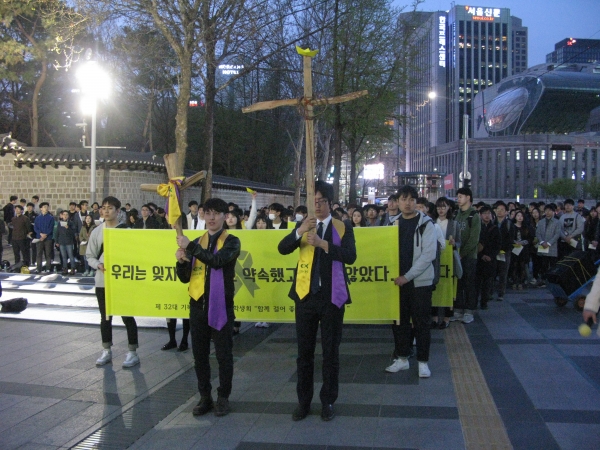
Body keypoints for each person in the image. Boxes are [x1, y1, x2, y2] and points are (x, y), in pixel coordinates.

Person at [278, 181, 356, 422]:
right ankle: (303, 402)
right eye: (313, 201)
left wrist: (324, 244)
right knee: (304, 353)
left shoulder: (342, 227)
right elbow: (282, 248)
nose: (317, 206)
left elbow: (350, 257)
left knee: (330, 352)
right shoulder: (303, 226)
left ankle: (328, 401)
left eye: (321, 201)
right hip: (305, 297)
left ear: (330, 203)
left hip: (332, 298)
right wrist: (300, 231)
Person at [175, 198, 241, 417]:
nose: (211, 218)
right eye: (208, 213)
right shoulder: (197, 241)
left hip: (220, 306)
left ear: (224, 216)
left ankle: (223, 397)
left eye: (216, 213)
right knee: (200, 355)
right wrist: (182, 262)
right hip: (197, 306)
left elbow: (217, 261)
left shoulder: (232, 241)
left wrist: (190, 247)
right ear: (202, 215)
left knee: (223, 355)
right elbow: (185, 279)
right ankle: (205, 397)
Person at [385, 185, 437, 379]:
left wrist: (407, 276)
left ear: (417, 202)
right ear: (397, 202)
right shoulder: (393, 224)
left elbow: (428, 255)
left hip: (419, 283)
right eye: (403, 199)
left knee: (421, 323)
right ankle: (402, 358)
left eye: (411, 199)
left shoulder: (426, 224)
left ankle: (423, 362)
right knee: (399, 322)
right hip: (397, 283)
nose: (408, 203)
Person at [87, 196, 140, 368]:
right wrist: (98, 264)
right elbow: (90, 256)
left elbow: (135, 254)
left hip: (122, 281)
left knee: (127, 316)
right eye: (104, 208)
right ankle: (106, 349)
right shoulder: (96, 232)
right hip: (102, 281)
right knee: (105, 317)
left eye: (110, 208)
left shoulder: (126, 231)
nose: (106, 211)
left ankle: (132, 352)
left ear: (118, 211)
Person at [452, 187, 481, 324]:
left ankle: (469, 311)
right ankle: (458, 309)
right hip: (457, 255)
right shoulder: (457, 214)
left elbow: (474, 240)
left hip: (469, 257)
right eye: (458, 196)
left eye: (461, 196)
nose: (458, 199)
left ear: (468, 198)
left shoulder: (474, 215)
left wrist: (462, 253)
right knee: (458, 283)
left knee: (469, 284)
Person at [432, 197, 459, 329]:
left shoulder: (454, 224)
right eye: (438, 207)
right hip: (435, 259)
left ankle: (447, 317)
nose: (441, 210)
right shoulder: (431, 222)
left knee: (448, 288)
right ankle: (434, 317)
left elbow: (460, 242)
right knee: (435, 287)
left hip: (449, 261)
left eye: (443, 207)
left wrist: (455, 244)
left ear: (449, 208)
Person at [476, 205, 500, 309]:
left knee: (487, 282)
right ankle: (474, 301)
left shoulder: (495, 229)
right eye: (484, 213)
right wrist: (481, 255)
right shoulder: (477, 228)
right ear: (480, 215)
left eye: (488, 213)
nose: (486, 216)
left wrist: (490, 255)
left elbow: (498, 245)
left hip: (490, 259)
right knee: (476, 282)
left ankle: (484, 302)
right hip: (479, 259)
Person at [493, 201, 515, 301]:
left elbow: (511, 239)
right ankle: (489, 292)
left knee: (503, 273)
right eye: (498, 209)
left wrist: (503, 249)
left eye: (502, 210)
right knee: (492, 272)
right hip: (493, 252)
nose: (500, 211)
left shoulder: (509, 224)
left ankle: (501, 293)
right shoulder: (492, 223)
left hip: (505, 252)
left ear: (506, 212)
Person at [535, 204, 562, 287]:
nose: (548, 212)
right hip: (542, 246)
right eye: (546, 210)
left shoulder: (557, 222)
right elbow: (538, 233)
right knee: (544, 264)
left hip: (552, 246)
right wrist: (542, 242)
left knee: (553, 264)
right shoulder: (541, 221)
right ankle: (543, 280)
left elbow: (557, 234)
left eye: (550, 210)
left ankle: (552, 280)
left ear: (553, 212)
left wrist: (549, 243)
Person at [34, 202, 55, 273]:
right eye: (44, 207)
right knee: (39, 254)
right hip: (39, 238)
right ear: (41, 208)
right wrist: (40, 234)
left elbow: (51, 228)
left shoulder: (51, 217)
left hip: (48, 238)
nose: (46, 208)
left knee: (48, 253)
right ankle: (38, 268)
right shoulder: (37, 218)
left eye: (47, 207)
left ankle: (48, 268)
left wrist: (45, 235)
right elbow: (35, 227)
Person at [55, 210, 78, 275]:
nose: (65, 216)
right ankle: (65, 268)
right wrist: (56, 241)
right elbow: (57, 232)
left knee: (71, 255)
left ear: (68, 216)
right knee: (63, 256)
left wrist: (68, 228)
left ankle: (73, 268)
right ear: (62, 216)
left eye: (66, 215)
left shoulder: (71, 223)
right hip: (62, 242)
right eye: (64, 214)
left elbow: (73, 232)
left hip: (69, 242)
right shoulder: (59, 223)